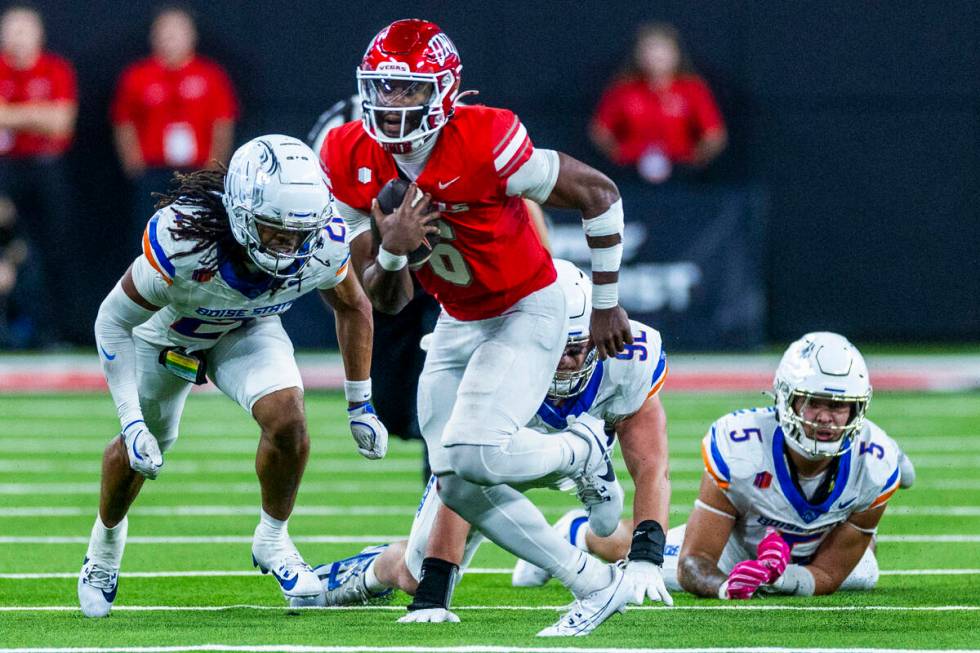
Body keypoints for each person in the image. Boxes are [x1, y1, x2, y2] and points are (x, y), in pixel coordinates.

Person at [322, 19, 642, 637]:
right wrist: (392, 250)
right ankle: (594, 582)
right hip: (458, 317)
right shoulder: (346, 152)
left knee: (473, 450)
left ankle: (580, 452)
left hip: (527, 307)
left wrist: (605, 303)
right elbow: (383, 301)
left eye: (407, 90)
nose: (392, 105)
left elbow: (599, 193)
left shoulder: (484, 137)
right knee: (455, 478)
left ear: (443, 90)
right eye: (382, 89)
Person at [77, 135, 388, 618]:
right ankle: (104, 548)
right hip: (169, 332)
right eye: (275, 230)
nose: (289, 244)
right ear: (242, 213)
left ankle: (273, 540)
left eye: (299, 232)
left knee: (288, 420)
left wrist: (360, 404)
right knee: (144, 447)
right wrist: (131, 420)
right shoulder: (185, 241)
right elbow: (112, 321)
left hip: (247, 325)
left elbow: (354, 305)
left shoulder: (323, 241)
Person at [310, 260, 674, 618]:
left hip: (557, 448)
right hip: (505, 453)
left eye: (575, 349)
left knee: (607, 525)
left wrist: (646, 555)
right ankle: (362, 574)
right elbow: (459, 476)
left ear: (597, 338)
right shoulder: (493, 355)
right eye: (552, 349)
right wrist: (434, 588)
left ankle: (583, 470)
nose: (562, 362)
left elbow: (651, 466)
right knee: (414, 574)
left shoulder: (628, 355)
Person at [308, 96, 551, 478]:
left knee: (445, 399)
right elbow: (333, 237)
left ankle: (443, 505)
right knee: (393, 406)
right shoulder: (340, 138)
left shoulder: (458, 132)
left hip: (453, 265)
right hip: (383, 267)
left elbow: (520, 203)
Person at [668, 332, 914, 599]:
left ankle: (866, 515)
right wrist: (725, 586)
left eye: (837, 405)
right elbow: (694, 561)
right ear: (786, 399)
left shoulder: (873, 463)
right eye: (812, 402)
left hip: (815, 552)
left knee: (863, 570)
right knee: (638, 552)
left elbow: (829, 574)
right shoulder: (741, 447)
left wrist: (780, 579)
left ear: (857, 410)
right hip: (735, 551)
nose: (824, 418)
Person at [111, 5, 238, 248]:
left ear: (191, 35)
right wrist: (133, 162)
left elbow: (222, 123)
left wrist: (213, 169)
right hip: (153, 172)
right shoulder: (138, 75)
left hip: (196, 172)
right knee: (150, 236)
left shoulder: (210, 75)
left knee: (199, 238)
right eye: (165, 32)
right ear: (154, 36)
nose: (170, 38)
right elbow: (124, 122)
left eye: (177, 31)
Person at [0, 5, 77, 345]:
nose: (17, 38)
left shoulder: (54, 70)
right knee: (9, 247)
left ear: (38, 34)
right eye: (11, 30)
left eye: (23, 30)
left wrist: (10, 115)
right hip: (5, 169)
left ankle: (51, 331)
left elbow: (60, 123)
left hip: (45, 169)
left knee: (50, 249)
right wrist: (36, 117)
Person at [591, 23, 726, 184]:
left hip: (680, 172)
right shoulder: (623, 89)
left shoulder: (693, 89)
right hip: (631, 172)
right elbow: (600, 130)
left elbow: (714, 134)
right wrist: (618, 155)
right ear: (639, 55)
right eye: (649, 51)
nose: (656, 57)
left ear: (675, 54)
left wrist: (695, 161)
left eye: (662, 51)